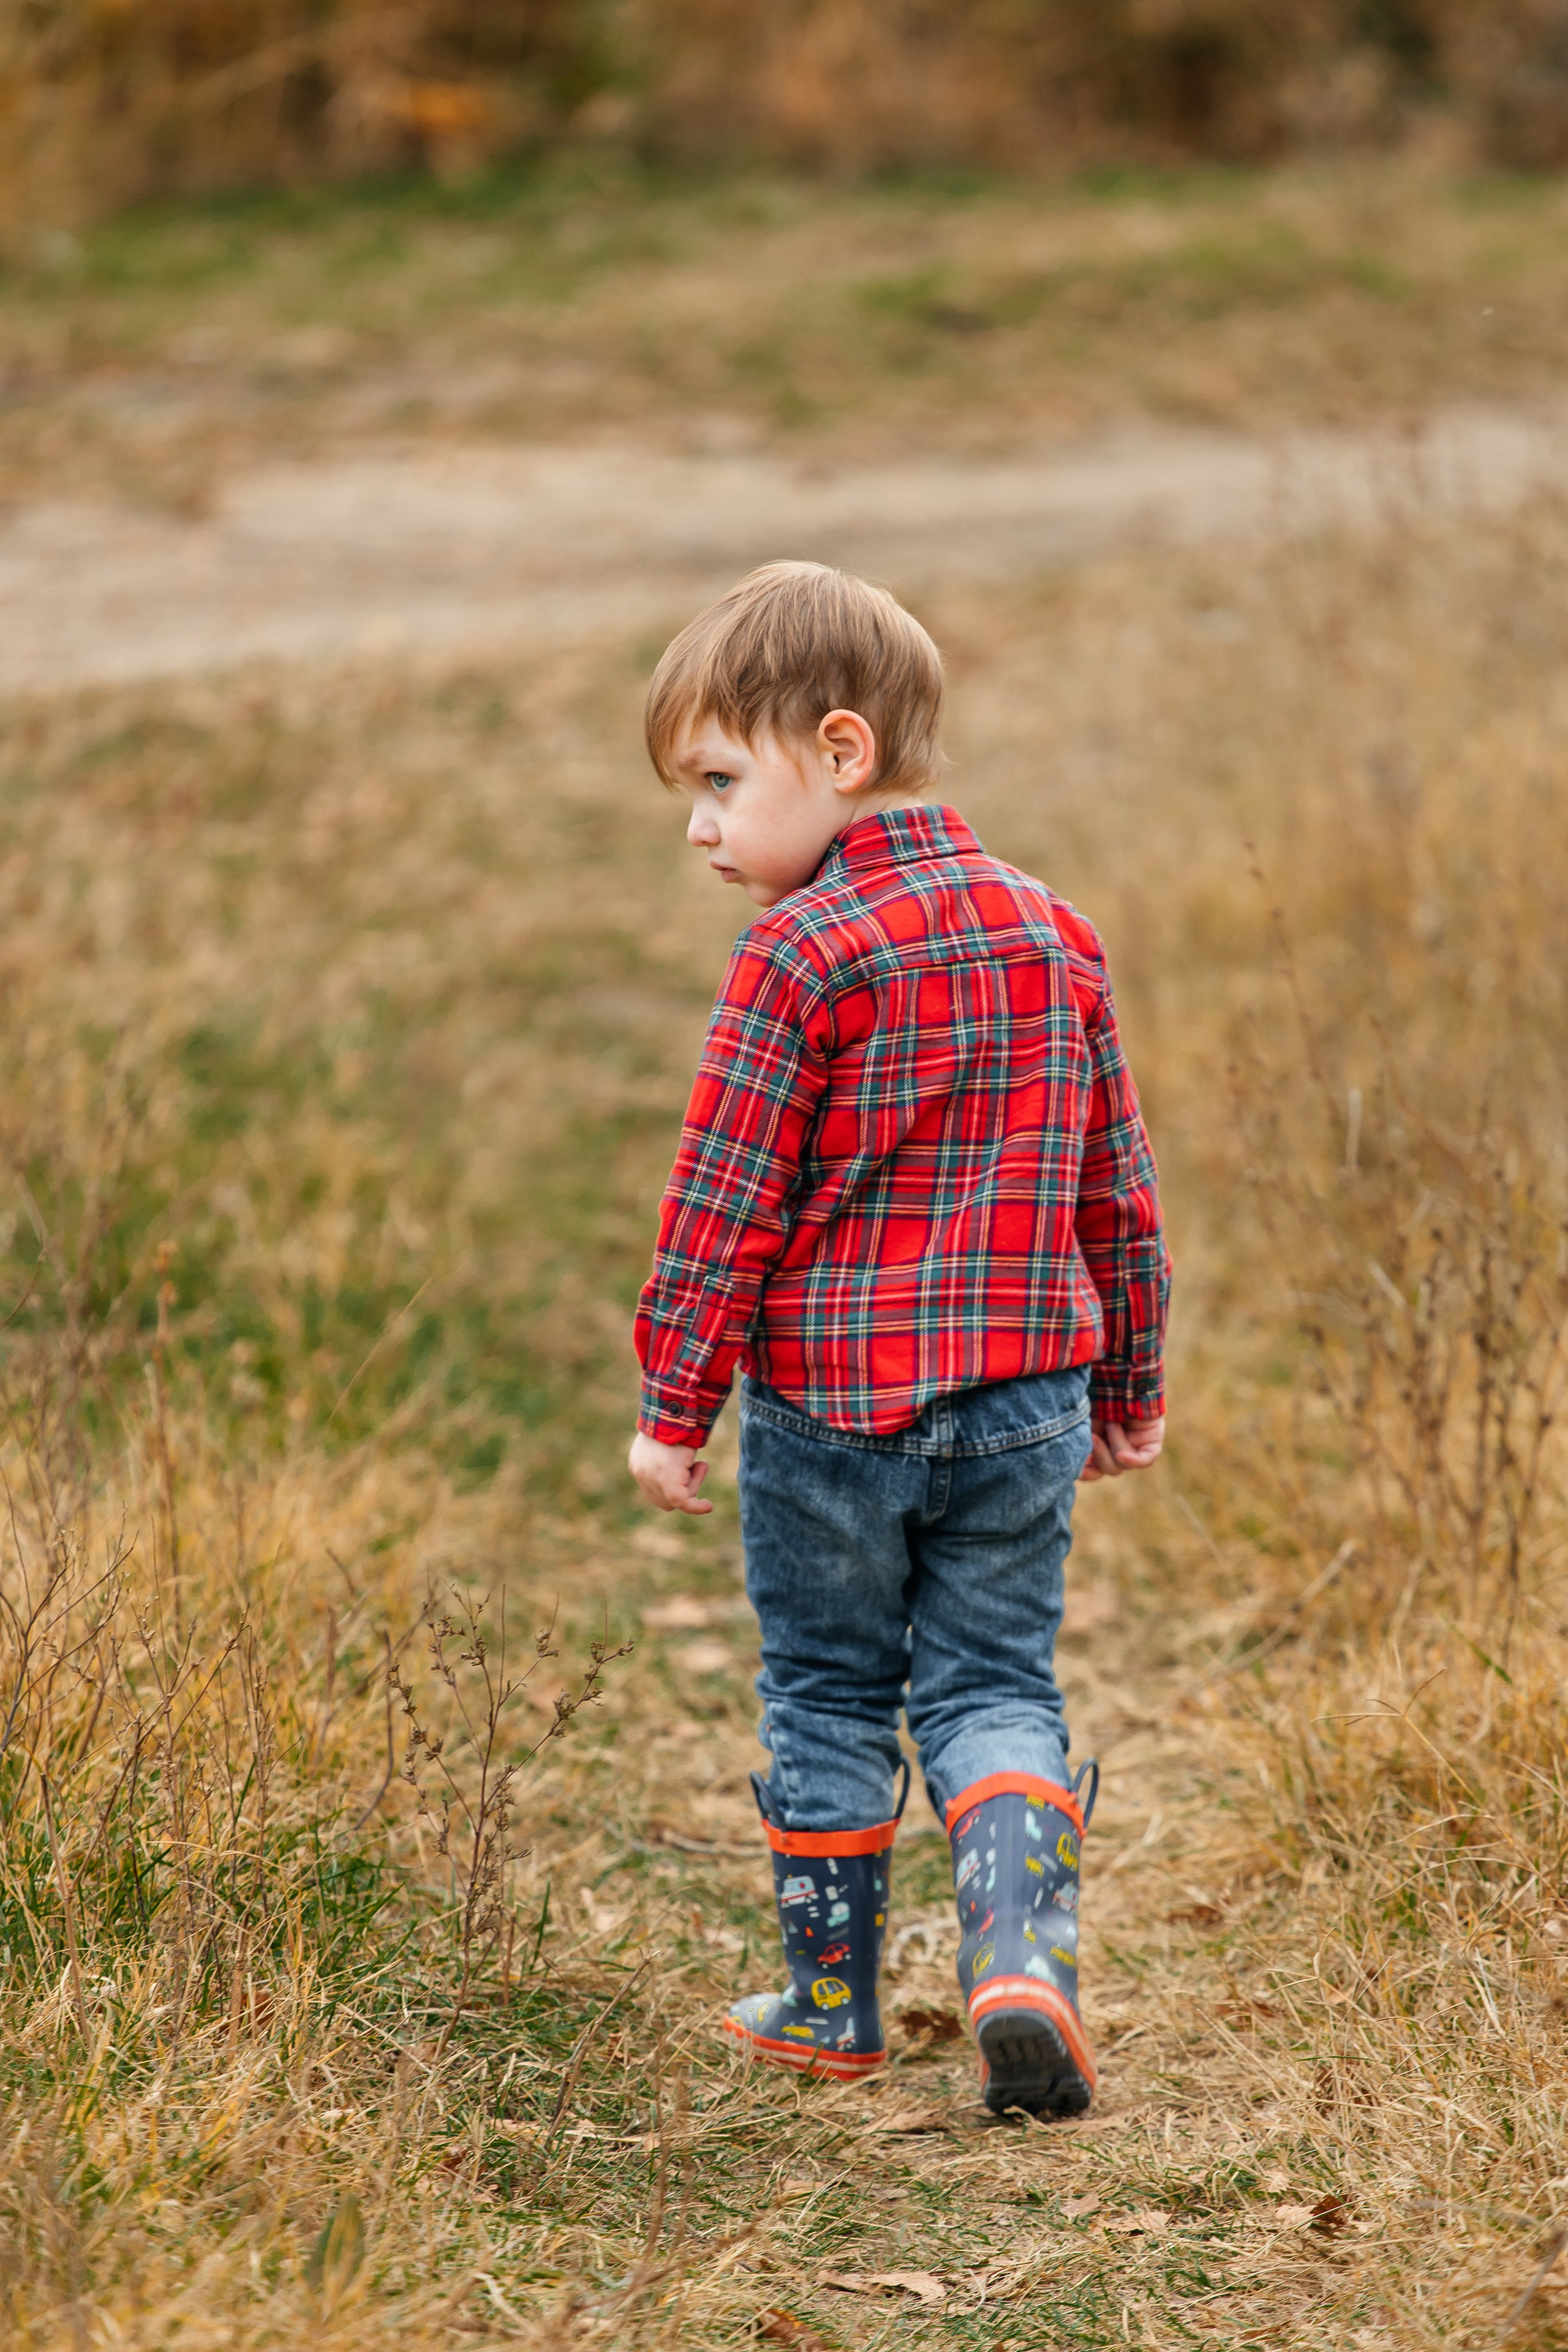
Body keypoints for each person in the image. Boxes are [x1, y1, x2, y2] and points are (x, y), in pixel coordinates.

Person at [627, 560, 1169, 2117]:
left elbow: (722, 1203)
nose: (701, 826)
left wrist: (677, 1403)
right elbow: (1112, 1183)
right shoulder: (1053, 936)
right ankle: (1021, 1965)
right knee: (997, 1678)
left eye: (723, 780)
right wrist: (1127, 1376)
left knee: (825, 1688)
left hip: (831, 1425)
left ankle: (826, 2001)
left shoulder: (796, 958)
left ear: (841, 752)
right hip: (1023, 1400)